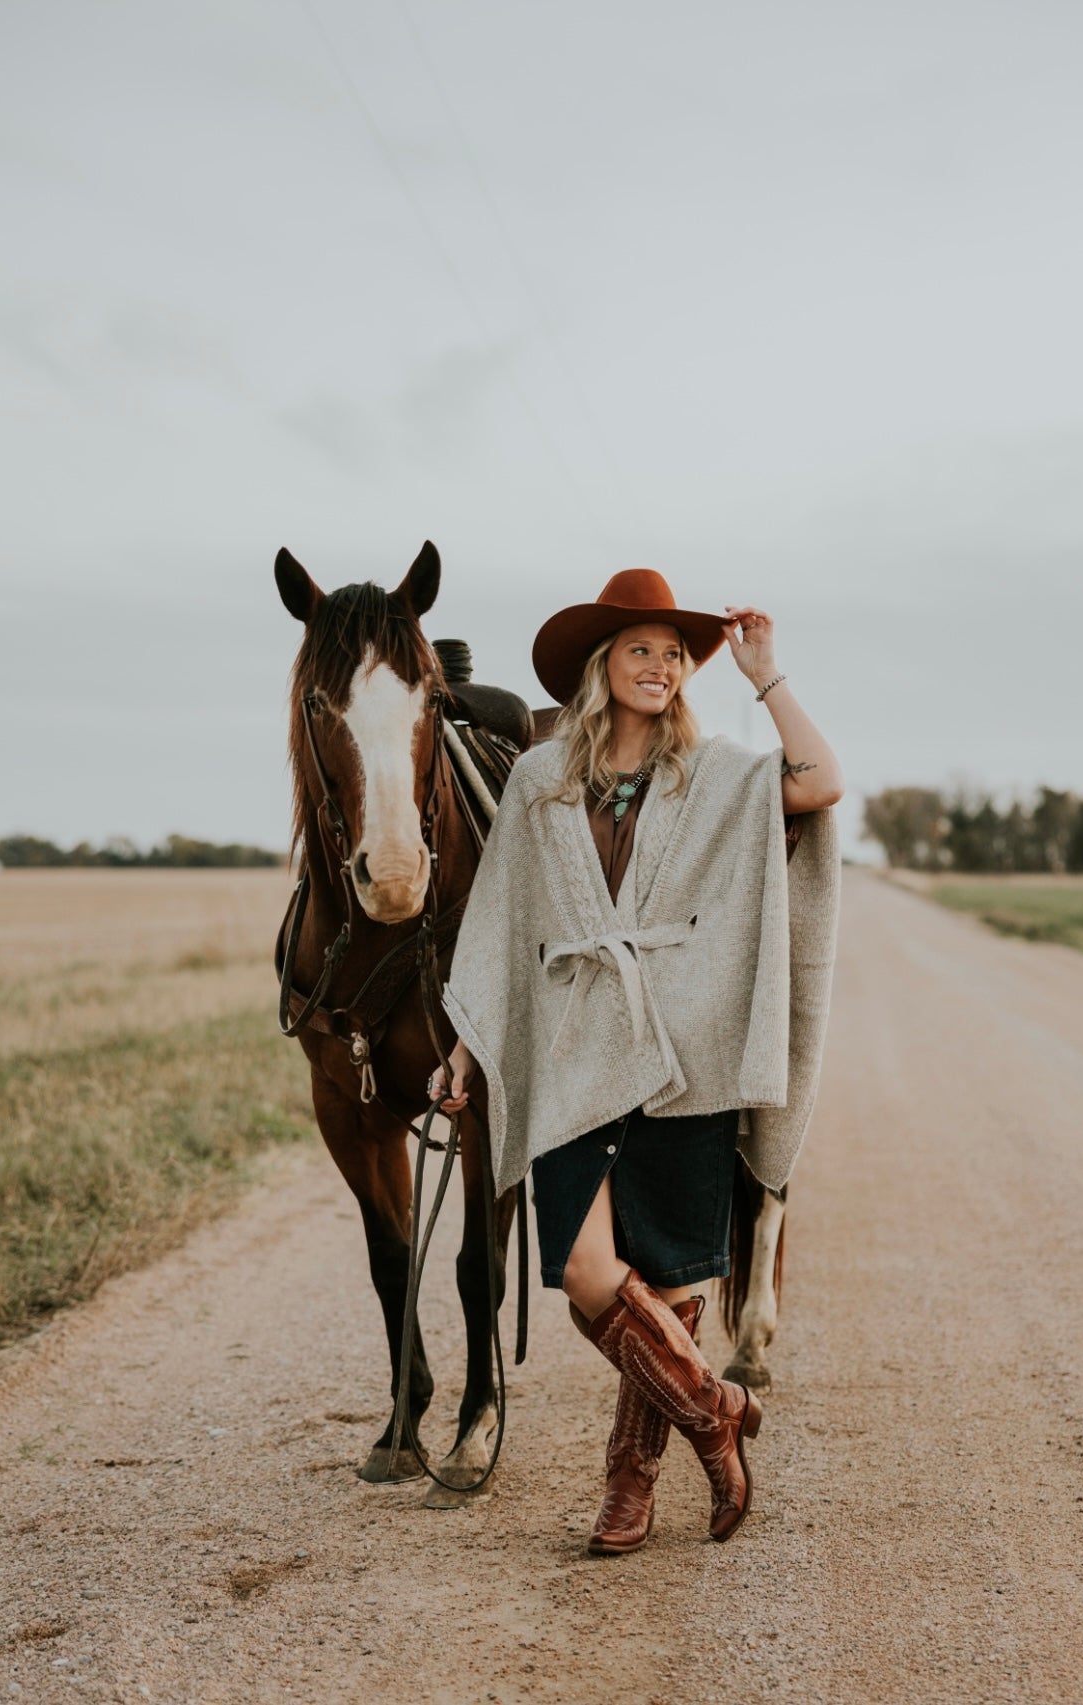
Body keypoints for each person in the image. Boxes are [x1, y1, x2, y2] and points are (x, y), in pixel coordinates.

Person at [429, 568, 842, 1553]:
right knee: (583, 1267)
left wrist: (765, 674)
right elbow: (502, 925)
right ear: (600, 665)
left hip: (683, 1044)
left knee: (665, 1280)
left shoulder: (724, 774)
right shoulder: (538, 780)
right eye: (638, 650)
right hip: (576, 1043)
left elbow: (821, 781)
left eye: (671, 653)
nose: (658, 667)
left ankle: (630, 1484)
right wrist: (466, 1044)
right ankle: (715, 1412)